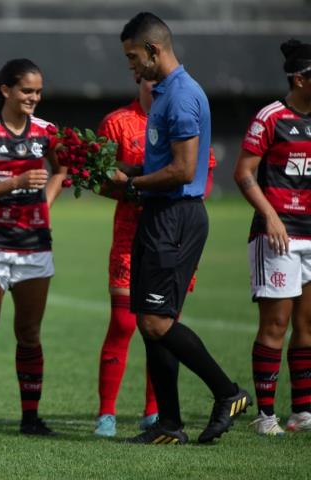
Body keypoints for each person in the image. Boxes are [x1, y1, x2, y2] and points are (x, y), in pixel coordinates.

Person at [112, 12, 251, 444]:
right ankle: (169, 425)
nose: (132, 67)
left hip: (176, 216)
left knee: (156, 322)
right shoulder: (163, 92)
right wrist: (116, 171)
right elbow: (160, 164)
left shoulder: (182, 95)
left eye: (134, 58)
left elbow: (183, 169)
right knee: (149, 320)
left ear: (154, 50)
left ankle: (228, 392)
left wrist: (132, 184)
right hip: (159, 214)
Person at [94, 75, 217, 437]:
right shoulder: (117, 123)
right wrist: (128, 191)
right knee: (124, 323)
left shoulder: (181, 111)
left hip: (172, 232)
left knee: (162, 325)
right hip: (131, 236)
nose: (154, 87)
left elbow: (203, 173)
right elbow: (100, 180)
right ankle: (107, 414)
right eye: (146, 81)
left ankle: (155, 412)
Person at [0, 58, 66, 435]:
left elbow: (63, 168)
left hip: (35, 245)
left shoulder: (46, 131)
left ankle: (30, 418)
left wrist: (45, 202)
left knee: (30, 332)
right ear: (5, 90)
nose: (34, 97)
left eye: (38, 91)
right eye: (26, 90)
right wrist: (15, 182)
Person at [234, 39, 311, 436]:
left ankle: (302, 411)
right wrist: (271, 216)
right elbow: (244, 172)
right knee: (276, 325)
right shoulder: (271, 118)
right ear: (300, 79)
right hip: (278, 235)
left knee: (307, 324)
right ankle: (266, 416)